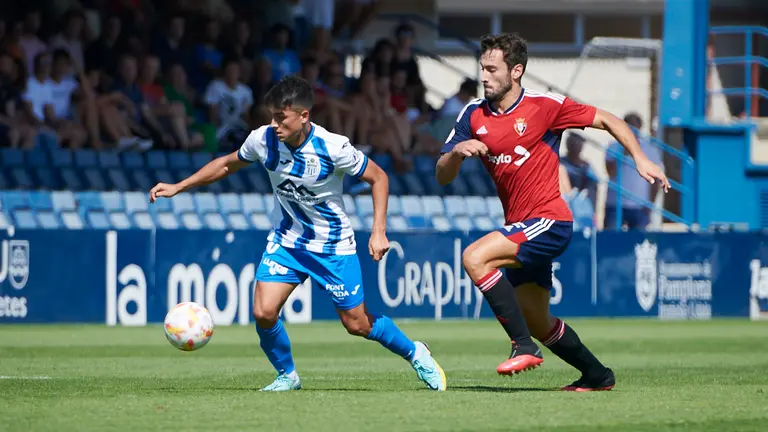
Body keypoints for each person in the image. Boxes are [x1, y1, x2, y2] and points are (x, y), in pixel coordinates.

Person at [149, 75, 446, 392]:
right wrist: (178, 186)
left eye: (281, 117)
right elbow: (226, 165)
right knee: (263, 313)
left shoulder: (333, 147)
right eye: (272, 116)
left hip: (332, 246)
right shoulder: (262, 140)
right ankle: (287, 375)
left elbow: (379, 177)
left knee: (357, 324)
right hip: (287, 242)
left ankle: (417, 353)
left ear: (304, 116)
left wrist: (378, 232)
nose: (274, 124)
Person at [436, 33, 670, 391]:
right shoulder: (473, 114)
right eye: (481, 68)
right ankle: (597, 375)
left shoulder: (546, 106)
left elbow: (609, 121)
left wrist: (639, 158)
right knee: (538, 320)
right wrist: (456, 152)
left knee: (474, 258)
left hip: (550, 220)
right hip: (520, 226)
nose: (483, 76)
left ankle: (522, 347)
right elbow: (442, 175)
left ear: (516, 71)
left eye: (492, 69)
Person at [604, 112, 663, 230]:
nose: (632, 131)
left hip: (639, 206)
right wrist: (624, 153)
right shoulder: (613, 147)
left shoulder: (650, 150)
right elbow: (611, 172)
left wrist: (650, 204)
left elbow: (655, 180)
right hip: (615, 204)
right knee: (610, 242)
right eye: (629, 126)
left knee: (638, 244)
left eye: (635, 127)